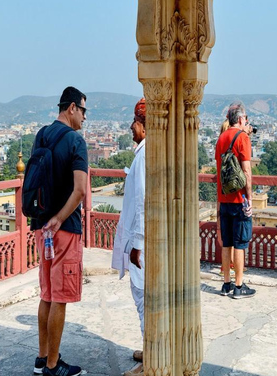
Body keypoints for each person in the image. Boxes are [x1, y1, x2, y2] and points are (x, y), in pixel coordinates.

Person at [32, 86, 89, 376]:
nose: (84, 117)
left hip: (41, 228)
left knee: (47, 293)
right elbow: (80, 191)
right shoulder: (75, 141)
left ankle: (42, 357)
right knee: (61, 297)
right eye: (83, 111)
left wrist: (48, 219)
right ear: (71, 108)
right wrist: (60, 217)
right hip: (64, 229)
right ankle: (53, 366)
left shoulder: (41, 134)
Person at [111, 98, 147, 376]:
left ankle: (150, 361)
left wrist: (136, 245)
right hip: (142, 238)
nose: (131, 128)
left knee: (142, 295)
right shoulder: (145, 153)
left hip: (142, 242)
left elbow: (142, 202)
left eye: (134, 122)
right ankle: (150, 349)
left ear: (144, 126)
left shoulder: (145, 155)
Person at [214, 102, 256, 299]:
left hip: (224, 197)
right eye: (245, 118)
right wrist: (249, 197)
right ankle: (239, 286)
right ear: (241, 119)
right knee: (240, 243)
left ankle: (226, 284)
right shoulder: (243, 138)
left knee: (227, 243)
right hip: (239, 199)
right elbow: (246, 170)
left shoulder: (221, 138)